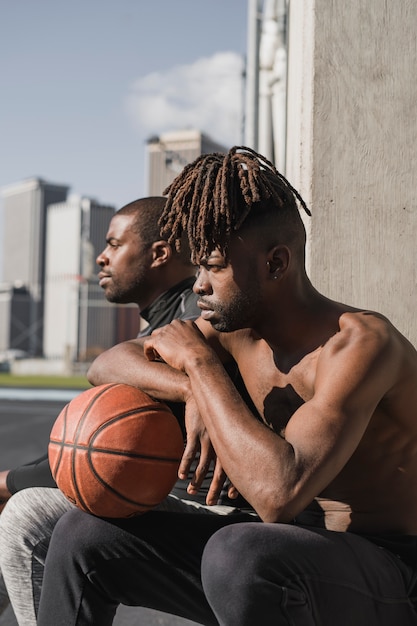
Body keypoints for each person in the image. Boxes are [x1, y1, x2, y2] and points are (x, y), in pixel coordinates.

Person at [31, 145, 417, 625]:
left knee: (241, 550)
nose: (198, 285)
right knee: (83, 537)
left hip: (388, 571)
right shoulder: (238, 332)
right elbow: (110, 363)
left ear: (276, 264)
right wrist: (190, 388)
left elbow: (279, 494)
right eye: (198, 268)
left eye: (213, 267)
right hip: (283, 554)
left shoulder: (358, 345)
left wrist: (199, 364)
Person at [0, 196, 247, 626]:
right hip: (172, 498)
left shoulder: (197, 313)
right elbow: (104, 374)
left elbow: (112, 453)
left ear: (159, 254)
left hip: (220, 514)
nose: (101, 257)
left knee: (28, 515)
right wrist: (194, 390)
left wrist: (10, 481)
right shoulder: (159, 326)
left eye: (114, 245)